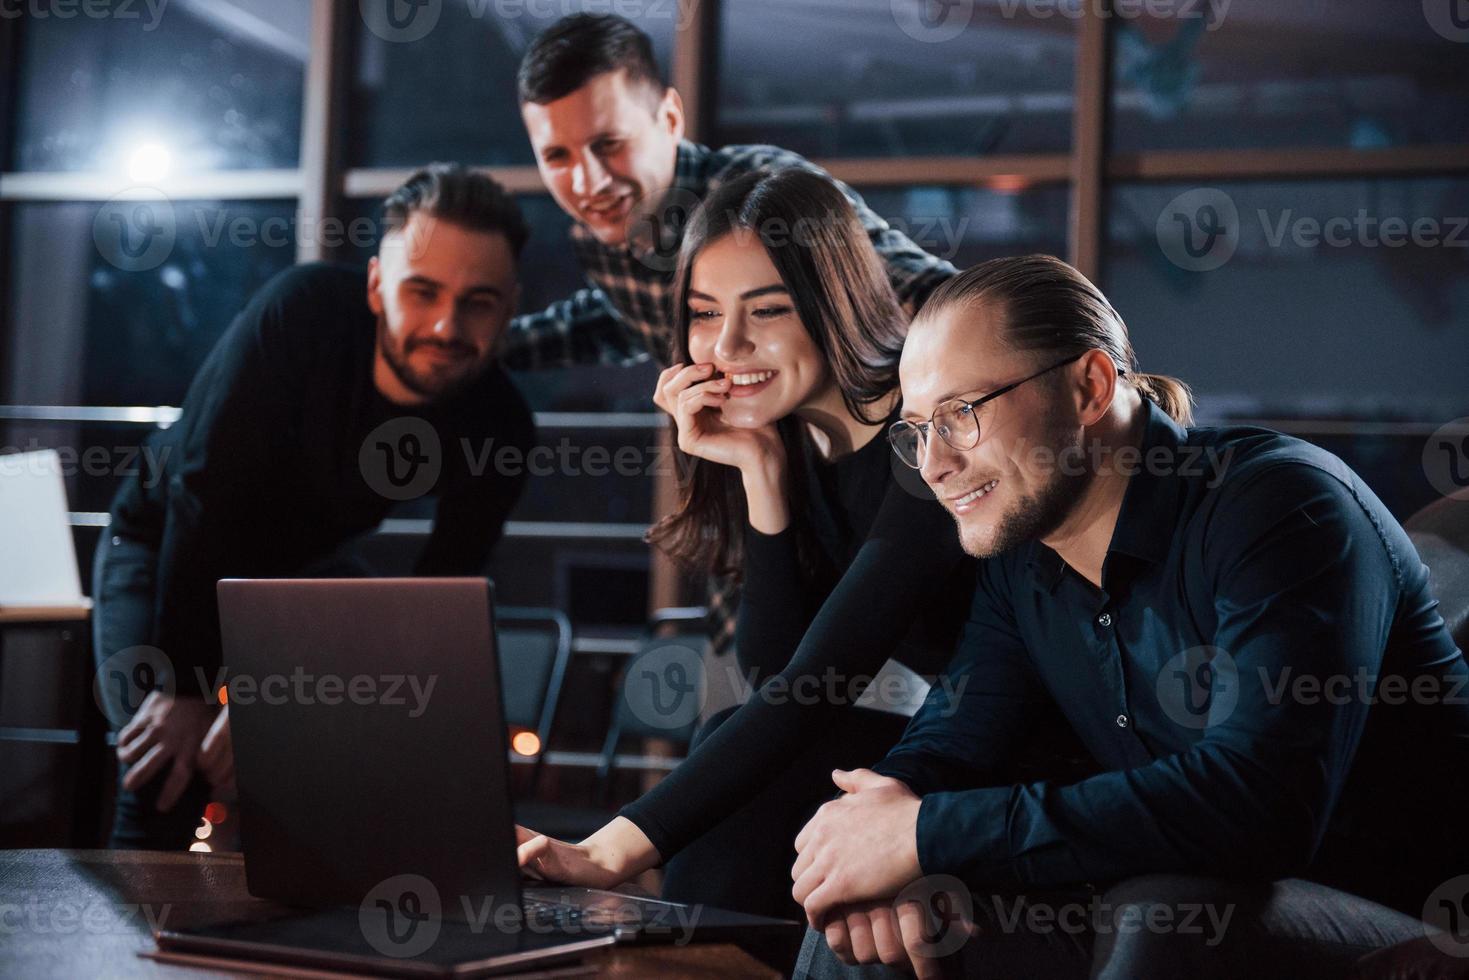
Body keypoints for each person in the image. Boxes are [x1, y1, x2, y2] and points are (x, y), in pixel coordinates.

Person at [786, 255, 1469, 978]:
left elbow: (1259, 806)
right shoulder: (1023, 561)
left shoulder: (1280, 508)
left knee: (1166, 912)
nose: (931, 465)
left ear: (1088, 386)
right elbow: (953, 741)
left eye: (960, 415)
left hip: (1415, 919)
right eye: (916, 429)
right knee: (867, 928)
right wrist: (882, 825)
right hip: (1178, 898)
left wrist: (926, 834)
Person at [516, 169, 985, 916]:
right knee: (734, 729)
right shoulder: (789, 433)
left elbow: (814, 681)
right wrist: (761, 473)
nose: (728, 347)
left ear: (835, 303)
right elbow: (776, 670)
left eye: (766, 310)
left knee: (747, 763)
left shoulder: (922, 433)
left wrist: (612, 850)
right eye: (703, 314)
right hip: (937, 734)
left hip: (1018, 741)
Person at [91, 165, 538, 850]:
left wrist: (281, 700)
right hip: (161, 542)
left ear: (509, 305)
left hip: (297, 581)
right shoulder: (299, 314)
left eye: (478, 302)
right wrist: (188, 685)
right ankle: (135, 949)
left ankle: (291, 944)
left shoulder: (500, 422)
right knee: (166, 768)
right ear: (374, 285)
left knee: (313, 770)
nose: (448, 325)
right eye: (422, 292)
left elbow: (443, 592)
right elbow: (200, 497)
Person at [507, 12, 959, 656]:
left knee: (837, 700)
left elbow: (938, 297)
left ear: (668, 118)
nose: (588, 182)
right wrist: (459, 347)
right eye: (557, 156)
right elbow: (603, 322)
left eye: (608, 144)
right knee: (750, 699)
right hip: (755, 502)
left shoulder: (761, 194)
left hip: (872, 491)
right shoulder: (604, 242)